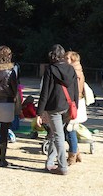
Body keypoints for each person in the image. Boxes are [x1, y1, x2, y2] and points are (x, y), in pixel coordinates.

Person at [36, 44, 78, 175]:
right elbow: (75, 89)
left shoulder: (50, 69)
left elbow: (45, 92)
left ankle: (62, 166)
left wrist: (39, 112)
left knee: (57, 136)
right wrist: (76, 106)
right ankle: (50, 162)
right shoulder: (71, 69)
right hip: (68, 105)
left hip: (54, 106)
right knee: (56, 135)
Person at [65, 51, 85, 165]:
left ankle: (72, 154)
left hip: (73, 102)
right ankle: (76, 152)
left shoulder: (73, 72)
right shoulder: (79, 70)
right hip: (77, 101)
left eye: (67, 58)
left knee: (70, 129)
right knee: (70, 128)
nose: (64, 60)